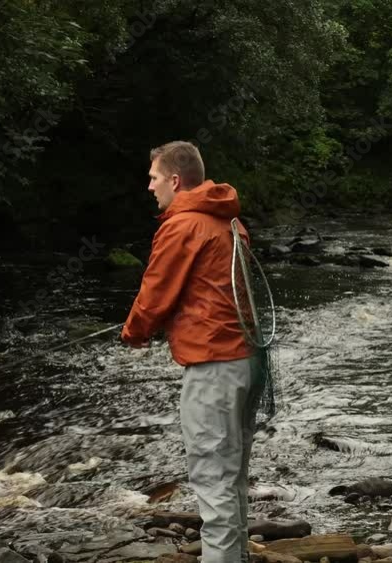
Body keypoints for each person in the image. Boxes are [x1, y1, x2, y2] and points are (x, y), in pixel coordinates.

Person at [121, 141, 263, 563]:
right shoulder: (229, 221)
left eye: (154, 178)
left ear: (175, 180)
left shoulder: (182, 225)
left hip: (213, 364)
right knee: (232, 478)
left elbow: (156, 293)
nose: (150, 187)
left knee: (213, 480)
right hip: (247, 360)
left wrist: (133, 333)